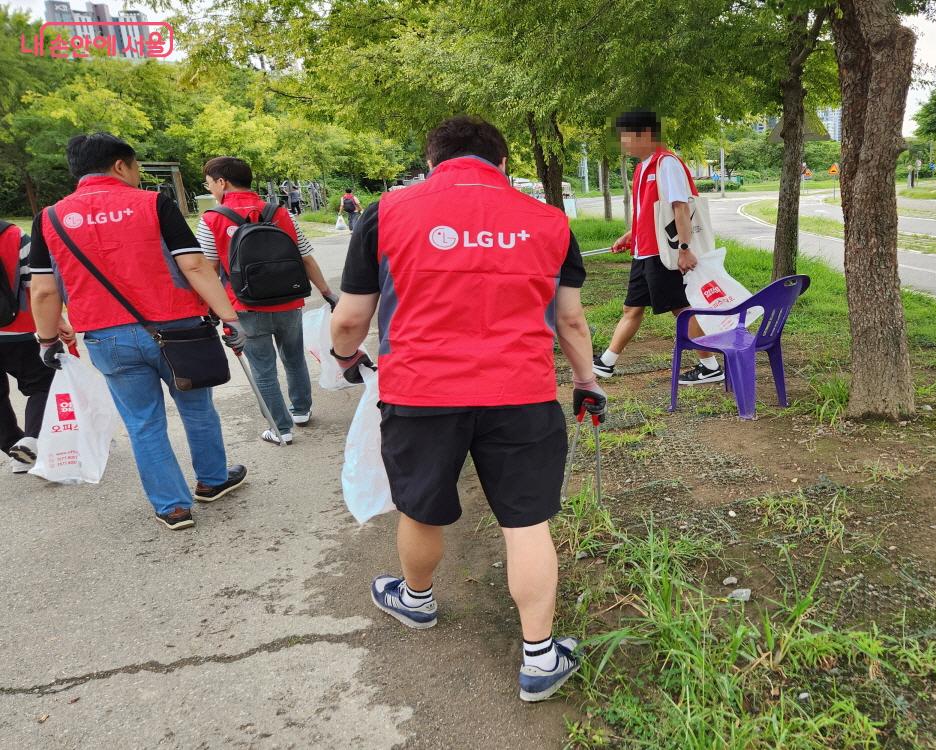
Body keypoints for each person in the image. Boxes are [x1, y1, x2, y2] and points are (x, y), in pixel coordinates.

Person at [329, 115, 605, 703]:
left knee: (421, 506)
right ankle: (539, 656)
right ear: (502, 164)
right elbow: (571, 319)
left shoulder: (387, 212)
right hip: (522, 393)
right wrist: (586, 380)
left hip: (420, 392)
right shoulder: (549, 221)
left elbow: (351, 319)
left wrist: (344, 358)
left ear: (431, 161)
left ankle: (417, 599)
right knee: (527, 521)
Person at [29, 132, 248, 530]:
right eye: (134, 167)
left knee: (143, 422)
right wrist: (230, 318)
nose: (135, 174)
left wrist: (47, 339)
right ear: (119, 165)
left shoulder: (51, 218)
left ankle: (173, 507)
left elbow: (44, 289)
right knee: (197, 409)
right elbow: (195, 266)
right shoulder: (153, 203)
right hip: (179, 328)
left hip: (106, 337)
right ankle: (213, 481)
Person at [198, 156, 339, 444]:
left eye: (210, 183)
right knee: (294, 358)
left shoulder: (212, 219)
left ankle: (281, 429)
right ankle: (301, 410)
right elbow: (305, 257)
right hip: (289, 301)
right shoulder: (280, 212)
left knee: (263, 369)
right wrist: (326, 292)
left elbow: (207, 270)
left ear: (222, 182)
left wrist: (210, 309)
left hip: (245, 306)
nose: (210, 188)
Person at [591, 109, 724, 385]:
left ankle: (710, 366)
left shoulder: (667, 164)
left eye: (626, 137)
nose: (623, 144)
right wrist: (630, 235)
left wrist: (684, 248)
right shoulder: (643, 167)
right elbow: (651, 214)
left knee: (681, 309)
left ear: (646, 134)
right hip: (644, 252)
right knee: (632, 309)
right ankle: (606, 362)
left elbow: (680, 208)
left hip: (664, 253)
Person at [0, 220, 72, 474]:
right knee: (42, 383)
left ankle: (14, 446)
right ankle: (29, 441)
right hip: (16, 330)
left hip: (15, 332)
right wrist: (56, 322)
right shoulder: (13, 236)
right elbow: (36, 287)